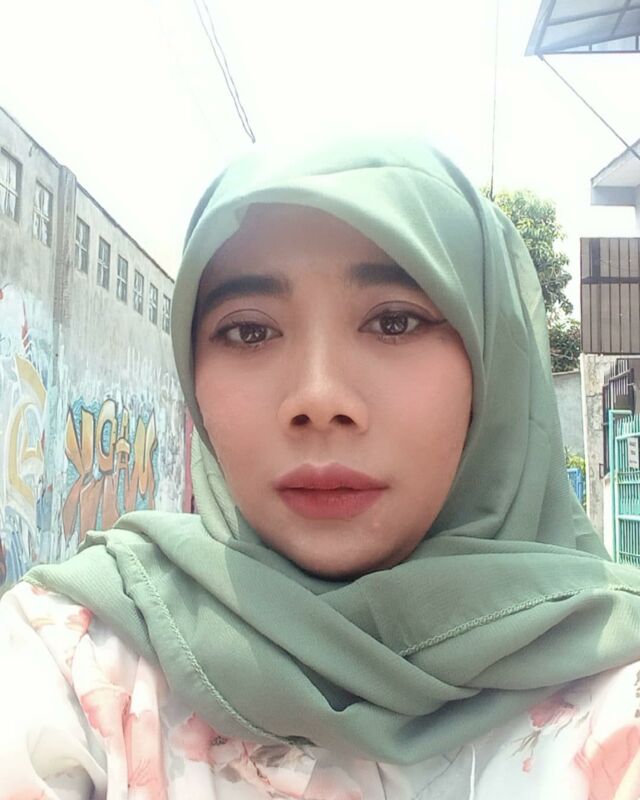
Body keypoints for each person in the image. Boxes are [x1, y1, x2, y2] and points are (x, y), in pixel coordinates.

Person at [2, 134, 640, 799]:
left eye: (394, 322)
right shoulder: (75, 663)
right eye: (249, 330)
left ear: (490, 369)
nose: (319, 399)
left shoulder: (616, 700)